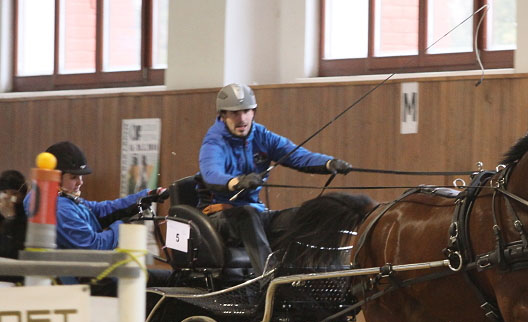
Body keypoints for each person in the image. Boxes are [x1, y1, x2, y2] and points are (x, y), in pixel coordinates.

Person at [198, 82, 353, 275]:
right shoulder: (214, 141)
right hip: (220, 218)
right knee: (247, 215)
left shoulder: (262, 136)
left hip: (256, 213)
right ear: (223, 114)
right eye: (234, 113)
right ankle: (269, 282)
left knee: (305, 214)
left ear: (254, 111)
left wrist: (329, 163)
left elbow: (297, 155)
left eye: (246, 111)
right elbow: (211, 173)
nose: (242, 118)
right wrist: (235, 182)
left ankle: (314, 276)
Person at [27, 141, 168, 250]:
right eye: (74, 177)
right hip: (82, 280)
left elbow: (99, 210)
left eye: (81, 177)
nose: (80, 182)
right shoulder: (59, 208)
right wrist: (123, 226)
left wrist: (144, 196)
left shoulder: (60, 199)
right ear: (56, 177)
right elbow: (94, 246)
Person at [0, 170, 28, 284]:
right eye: (4, 192)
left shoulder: (24, 219)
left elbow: (11, 253)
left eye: (14, 194)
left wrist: (10, 219)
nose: (8, 198)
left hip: (14, 280)